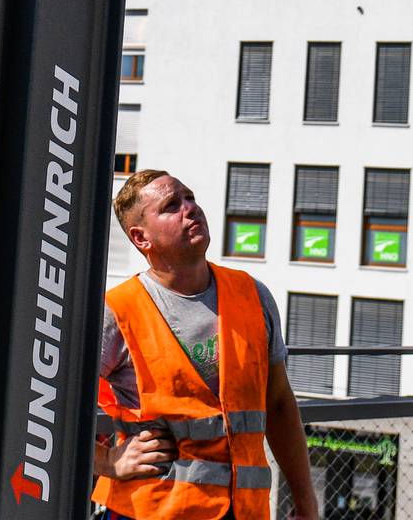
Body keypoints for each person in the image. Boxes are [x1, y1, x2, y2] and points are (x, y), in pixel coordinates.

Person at [94, 169, 320, 519]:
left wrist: (306, 502)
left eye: (190, 197)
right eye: (171, 206)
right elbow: (49, 403)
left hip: (244, 511)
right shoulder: (119, 311)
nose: (191, 208)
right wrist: (106, 461)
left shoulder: (252, 295)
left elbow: (277, 405)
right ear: (142, 238)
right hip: (151, 511)